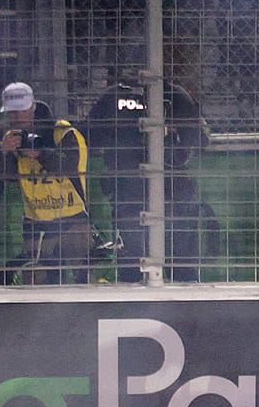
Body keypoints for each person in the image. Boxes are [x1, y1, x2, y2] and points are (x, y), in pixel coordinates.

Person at [82, 76, 208, 281]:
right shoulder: (174, 94)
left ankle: (151, 290)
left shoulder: (117, 95)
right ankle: (178, 291)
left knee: (139, 259)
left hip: (144, 188)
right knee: (175, 260)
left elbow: (90, 138)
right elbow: (200, 140)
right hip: (154, 188)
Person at [0, 80, 94, 283]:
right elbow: (5, 178)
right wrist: (3, 153)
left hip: (73, 221)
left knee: (84, 286)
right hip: (36, 224)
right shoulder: (12, 138)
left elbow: (69, 166)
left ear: (33, 107)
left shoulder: (64, 132)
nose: (17, 117)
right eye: (12, 113)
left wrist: (39, 153)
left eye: (22, 111)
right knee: (37, 287)